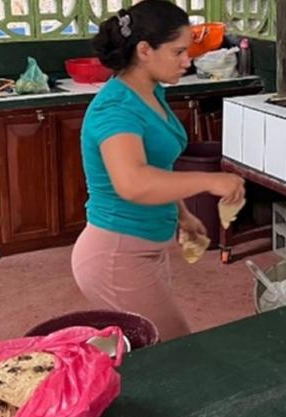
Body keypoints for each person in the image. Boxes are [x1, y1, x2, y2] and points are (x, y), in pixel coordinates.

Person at [71, 0, 245, 341]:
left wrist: (181, 216)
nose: (187, 60)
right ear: (145, 50)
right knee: (173, 350)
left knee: (144, 349)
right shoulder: (116, 109)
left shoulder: (151, 93)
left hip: (146, 247)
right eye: (178, 51)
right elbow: (133, 182)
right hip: (116, 253)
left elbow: (157, 168)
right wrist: (210, 180)